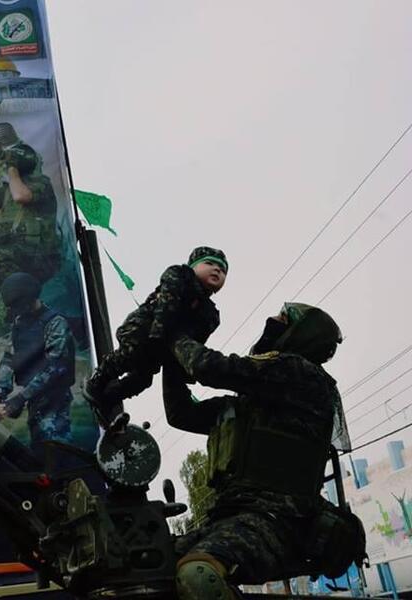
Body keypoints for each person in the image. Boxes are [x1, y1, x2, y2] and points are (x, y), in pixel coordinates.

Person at [162, 303, 365, 599]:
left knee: (198, 576)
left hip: (279, 520)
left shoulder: (300, 374)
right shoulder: (251, 406)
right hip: (232, 518)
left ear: (301, 334)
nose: (272, 324)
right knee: (150, 565)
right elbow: (181, 414)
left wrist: (173, 336)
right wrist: (170, 362)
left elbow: (208, 367)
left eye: (282, 321)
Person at [83, 246, 228, 426]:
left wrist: (184, 369)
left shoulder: (210, 314)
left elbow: (195, 342)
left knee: (142, 380)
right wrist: (158, 333)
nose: (217, 270)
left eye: (223, 270)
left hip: (161, 348)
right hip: (143, 328)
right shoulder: (179, 275)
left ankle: (107, 400)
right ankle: (98, 380)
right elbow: (167, 304)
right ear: (193, 266)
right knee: (130, 352)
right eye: (210, 263)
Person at [0, 123, 62, 284]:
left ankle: (10, 293)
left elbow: (20, 196)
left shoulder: (42, 185)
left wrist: (12, 167)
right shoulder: (7, 191)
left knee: (1, 254)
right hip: (15, 254)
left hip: (40, 257)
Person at [0, 272, 75, 458]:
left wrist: (20, 398)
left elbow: (54, 369)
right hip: (35, 400)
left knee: (55, 449)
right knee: (39, 448)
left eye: (17, 306)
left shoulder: (55, 324)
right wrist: (1, 392)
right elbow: (9, 358)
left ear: (28, 301)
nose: (16, 311)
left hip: (55, 399)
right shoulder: (19, 323)